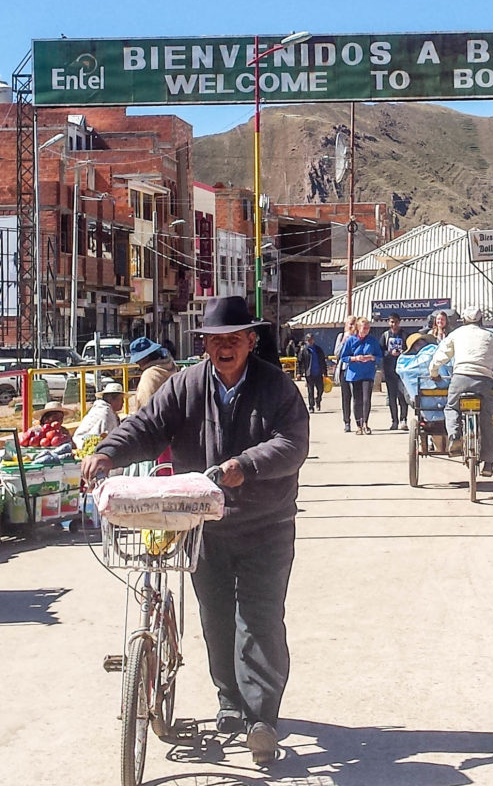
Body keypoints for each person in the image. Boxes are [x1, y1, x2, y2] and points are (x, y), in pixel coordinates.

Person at [83, 296, 307, 767]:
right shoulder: (185, 385)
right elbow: (145, 426)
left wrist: (244, 466)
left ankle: (262, 718)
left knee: (261, 618)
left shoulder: (277, 387)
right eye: (213, 341)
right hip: (204, 525)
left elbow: (291, 444)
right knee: (216, 615)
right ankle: (229, 701)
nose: (223, 348)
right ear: (203, 344)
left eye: (232, 339)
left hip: (267, 522)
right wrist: (107, 452)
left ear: (250, 341)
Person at [427, 310, 493, 478]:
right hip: (483, 382)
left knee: (451, 408)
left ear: (463, 320)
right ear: (481, 321)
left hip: (460, 380)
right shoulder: (491, 336)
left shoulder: (456, 334)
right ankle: (488, 462)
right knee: (486, 418)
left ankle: (454, 436)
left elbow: (440, 356)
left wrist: (434, 372)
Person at [337, 317, 380, 435]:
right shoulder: (350, 340)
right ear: (358, 328)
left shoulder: (372, 340)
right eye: (364, 328)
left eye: (368, 328)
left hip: (368, 373)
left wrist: (372, 357)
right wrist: (355, 358)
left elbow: (379, 355)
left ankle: (366, 423)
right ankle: (359, 425)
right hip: (354, 374)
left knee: (366, 399)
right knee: (357, 400)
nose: (366, 330)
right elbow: (343, 357)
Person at [128, 337, 176, 412]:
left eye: (138, 360)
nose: (137, 363)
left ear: (145, 357)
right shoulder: (172, 366)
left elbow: (145, 406)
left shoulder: (149, 375)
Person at [75, 379, 127, 446]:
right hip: (84, 445)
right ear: (111, 399)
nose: (123, 402)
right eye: (121, 399)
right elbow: (103, 438)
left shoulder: (107, 411)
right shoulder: (105, 413)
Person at [381, 318, 409, 431]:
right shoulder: (385, 335)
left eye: (396, 322)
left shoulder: (404, 335)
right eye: (392, 322)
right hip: (389, 371)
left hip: (402, 371)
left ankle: (403, 420)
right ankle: (394, 421)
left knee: (403, 397)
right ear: (389, 323)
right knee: (392, 397)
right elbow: (380, 351)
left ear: (399, 322)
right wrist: (389, 353)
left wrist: (403, 352)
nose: (394, 324)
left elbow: (410, 349)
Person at [299, 335, 328, 412]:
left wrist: (325, 373)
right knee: (310, 391)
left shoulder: (318, 350)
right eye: (308, 340)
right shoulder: (304, 350)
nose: (310, 341)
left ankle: (318, 400)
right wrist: (300, 372)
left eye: (311, 339)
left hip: (318, 373)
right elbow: (300, 362)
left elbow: (323, 361)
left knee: (320, 389)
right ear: (306, 341)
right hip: (309, 374)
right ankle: (311, 406)